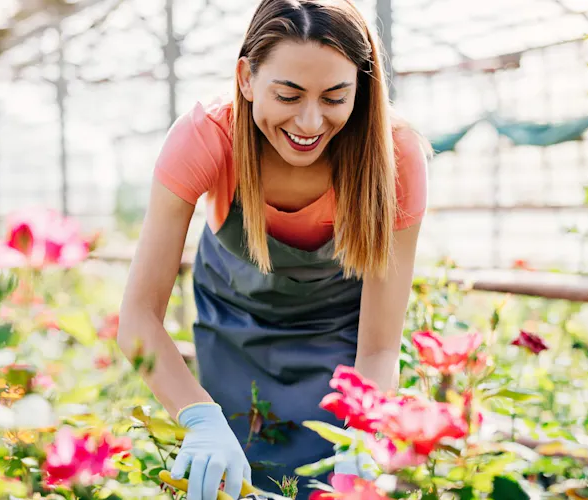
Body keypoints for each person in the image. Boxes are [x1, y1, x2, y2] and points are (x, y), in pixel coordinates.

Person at [115, 1, 431, 499]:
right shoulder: (206, 137)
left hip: (341, 338)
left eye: (334, 97)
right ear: (245, 78)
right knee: (238, 472)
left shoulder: (395, 156)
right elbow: (137, 317)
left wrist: (365, 432)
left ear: (362, 88)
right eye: (288, 95)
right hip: (233, 327)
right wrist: (199, 416)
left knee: (331, 479)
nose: (309, 122)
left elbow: (378, 347)